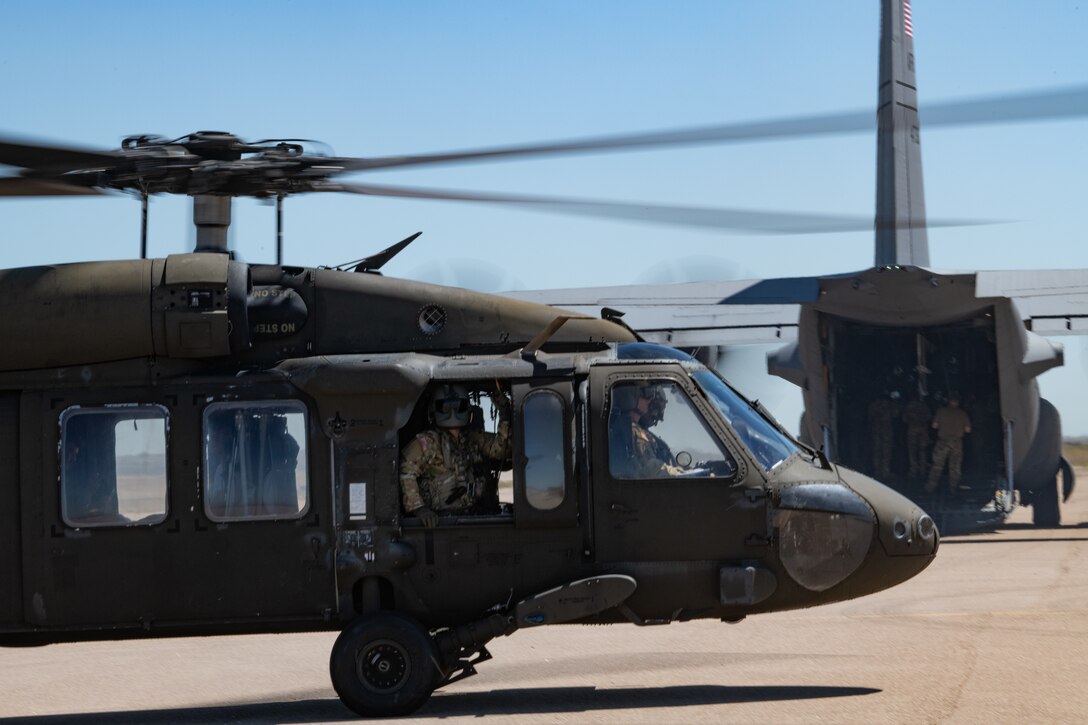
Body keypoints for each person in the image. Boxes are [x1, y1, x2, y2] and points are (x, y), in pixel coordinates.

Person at [400, 384, 511, 527]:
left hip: (473, 517)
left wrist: (505, 413)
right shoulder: (428, 442)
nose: (453, 413)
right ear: (435, 410)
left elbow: (501, 449)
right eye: (445, 407)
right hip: (444, 522)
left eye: (459, 407)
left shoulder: (473, 438)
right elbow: (406, 471)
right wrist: (419, 509)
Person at [609, 383, 682, 479]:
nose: (650, 399)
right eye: (646, 394)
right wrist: (680, 474)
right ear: (630, 396)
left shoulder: (628, 428)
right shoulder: (631, 431)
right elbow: (650, 468)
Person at [925, 395, 972, 493]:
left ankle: (930, 487)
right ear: (958, 402)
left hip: (942, 442)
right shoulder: (962, 413)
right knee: (955, 466)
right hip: (956, 443)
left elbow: (934, 425)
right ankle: (953, 488)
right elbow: (967, 430)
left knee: (937, 465)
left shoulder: (941, 411)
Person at [867, 391, 900, 480]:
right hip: (886, 430)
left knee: (876, 451)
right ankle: (885, 471)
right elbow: (896, 414)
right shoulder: (890, 405)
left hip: (876, 430)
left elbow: (869, 417)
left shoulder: (873, 405)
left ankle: (877, 471)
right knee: (886, 451)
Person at [903, 395, 932, 480]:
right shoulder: (924, 406)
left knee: (912, 451)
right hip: (923, 430)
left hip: (912, 430)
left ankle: (913, 471)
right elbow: (929, 417)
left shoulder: (909, 406)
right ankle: (923, 471)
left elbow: (904, 419)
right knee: (922, 451)